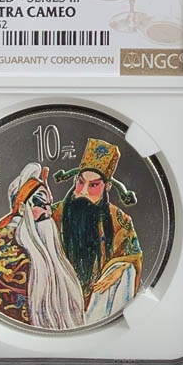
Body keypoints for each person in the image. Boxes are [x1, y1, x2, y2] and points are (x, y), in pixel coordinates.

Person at [0, 163, 85, 329]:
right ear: (21, 208)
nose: (48, 212)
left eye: (48, 204)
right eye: (40, 204)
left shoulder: (42, 243)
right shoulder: (4, 246)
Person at [53, 137, 142, 322]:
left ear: (107, 187)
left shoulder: (119, 220)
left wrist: (120, 268)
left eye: (93, 185)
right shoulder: (54, 213)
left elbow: (134, 257)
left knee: (125, 271)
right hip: (57, 299)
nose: (83, 191)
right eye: (80, 182)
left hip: (98, 302)